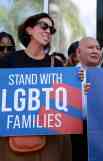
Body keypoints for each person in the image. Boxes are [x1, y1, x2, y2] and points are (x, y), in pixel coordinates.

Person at [0, 13, 71, 161]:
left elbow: (65, 101)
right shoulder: (9, 60)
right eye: (43, 26)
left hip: (50, 140)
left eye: (51, 30)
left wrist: (79, 85)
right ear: (29, 30)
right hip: (12, 139)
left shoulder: (56, 64)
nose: (47, 31)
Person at [71, 37, 101, 161]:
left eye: (98, 48)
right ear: (78, 52)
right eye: (90, 48)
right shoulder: (67, 76)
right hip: (77, 135)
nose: (95, 51)